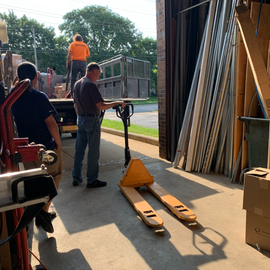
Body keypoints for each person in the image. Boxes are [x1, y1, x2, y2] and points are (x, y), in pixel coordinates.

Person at [11, 62, 63, 233]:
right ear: (35, 77)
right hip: (45, 148)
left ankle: (41, 213)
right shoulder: (39, 97)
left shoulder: (13, 96)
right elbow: (51, 124)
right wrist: (58, 145)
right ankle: (43, 212)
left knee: (35, 181)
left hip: (26, 149)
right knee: (54, 176)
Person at [72, 62, 126, 188]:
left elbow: (75, 105)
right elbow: (101, 106)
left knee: (79, 150)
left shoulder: (77, 84)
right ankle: (91, 180)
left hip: (80, 119)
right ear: (94, 71)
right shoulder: (90, 85)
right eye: (98, 75)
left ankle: (76, 177)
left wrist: (80, 117)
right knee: (93, 152)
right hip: (92, 120)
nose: (98, 78)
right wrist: (117, 102)